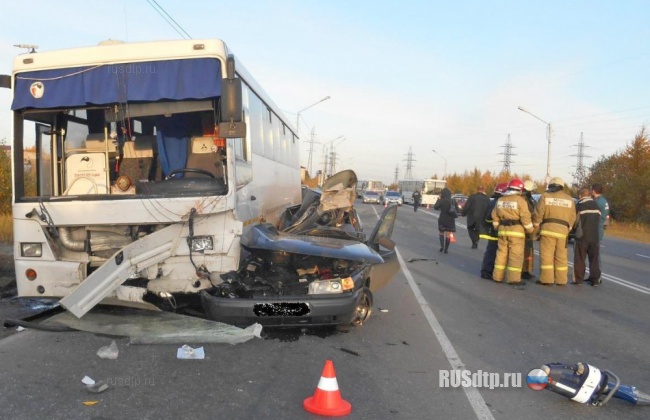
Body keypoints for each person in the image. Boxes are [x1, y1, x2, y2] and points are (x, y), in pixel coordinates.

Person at [533, 177, 577, 286]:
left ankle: (546, 279)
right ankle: (561, 280)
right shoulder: (569, 199)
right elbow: (573, 216)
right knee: (561, 257)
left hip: (548, 230)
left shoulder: (545, 196)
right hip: (563, 232)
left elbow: (538, 213)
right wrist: (569, 228)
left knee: (547, 255)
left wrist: (535, 228)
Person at [491, 179, 534, 285]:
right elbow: (525, 217)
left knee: (501, 254)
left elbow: (494, 216)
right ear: (519, 189)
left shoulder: (500, 200)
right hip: (516, 231)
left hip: (502, 230)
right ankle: (513, 279)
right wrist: (530, 230)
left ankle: (497, 277)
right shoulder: (520, 201)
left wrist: (497, 228)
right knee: (515, 256)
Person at [573, 187, 602, 286]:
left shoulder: (579, 205)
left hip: (582, 236)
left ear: (580, 195)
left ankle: (578, 279)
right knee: (594, 259)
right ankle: (595, 280)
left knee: (580, 258)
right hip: (594, 236)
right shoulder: (596, 205)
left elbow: (575, 221)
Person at [479, 182, 508, 280]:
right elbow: (488, 218)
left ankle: (489, 271)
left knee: (493, 251)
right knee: (492, 252)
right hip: (494, 232)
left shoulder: (495, 201)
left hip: (494, 231)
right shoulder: (497, 202)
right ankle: (487, 271)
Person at [433, 188, 458, 253]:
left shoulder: (442, 200)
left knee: (441, 232)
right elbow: (457, 209)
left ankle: (442, 246)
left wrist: (438, 199)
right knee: (448, 234)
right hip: (450, 219)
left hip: (442, 218)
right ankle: (446, 249)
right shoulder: (453, 200)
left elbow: (435, 207)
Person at [521, 180, 537, 280]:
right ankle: (523, 271)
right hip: (524, 228)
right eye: (532, 191)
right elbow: (528, 214)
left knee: (528, 250)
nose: (533, 193)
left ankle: (526, 270)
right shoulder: (524, 200)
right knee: (523, 250)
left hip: (527, 228)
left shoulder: (528, 199)